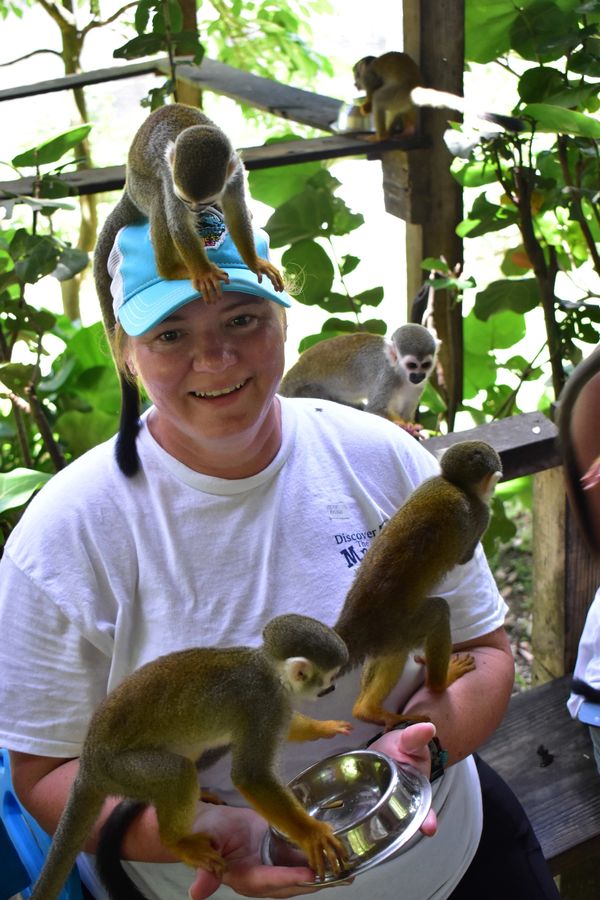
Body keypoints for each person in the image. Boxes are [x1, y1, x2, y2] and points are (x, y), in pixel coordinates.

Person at [0, 210, 560, 900]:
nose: (216, 358)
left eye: (242, 320)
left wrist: (426, 746)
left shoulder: (383, 455)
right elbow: (46, 774)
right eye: (171, 333)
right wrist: (201, 828)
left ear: (283, 322)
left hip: (448, 851)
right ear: (125, 351)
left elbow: (483, 649)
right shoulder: (66, 535)